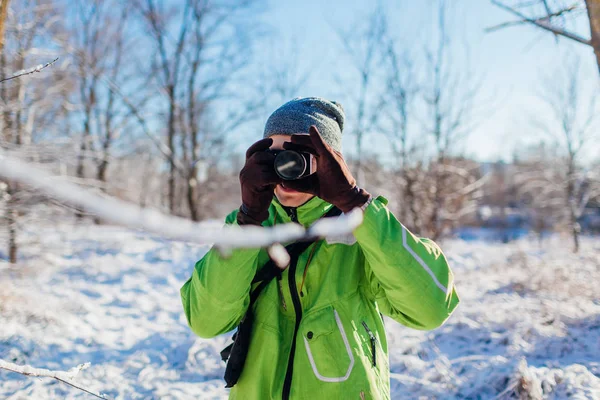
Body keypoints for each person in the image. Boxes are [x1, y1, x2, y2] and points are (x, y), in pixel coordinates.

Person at [180, 97, 459, 400]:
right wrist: (248, 220)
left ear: (329, 161)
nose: (283, 168)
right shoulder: (249, 230)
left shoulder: (364, 230)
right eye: (273, 155)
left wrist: (356, 204)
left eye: (296, 156)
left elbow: (431, 308)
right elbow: (205, 321)